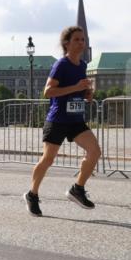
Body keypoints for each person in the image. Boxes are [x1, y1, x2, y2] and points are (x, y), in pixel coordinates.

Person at [24, 26, 101, 216]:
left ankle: (78, 189)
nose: (81, 43)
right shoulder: (61, 65)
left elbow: (79, 90)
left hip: (75, 119)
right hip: (58, 119)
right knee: (48, 159)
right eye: (77, 39)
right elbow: (48, 92)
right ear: (66, 43)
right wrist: (75, 86)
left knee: (95, 151)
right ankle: (32, 194)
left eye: (83, 40)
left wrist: (86, 93)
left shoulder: (83, 65)